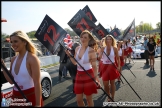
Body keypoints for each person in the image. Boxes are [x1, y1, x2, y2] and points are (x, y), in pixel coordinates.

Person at [1, 30, 43, 107]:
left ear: (24, 42)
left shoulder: (32, 58)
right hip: (15, 98)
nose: (13, 44)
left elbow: (37, 83)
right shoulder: (13, 59)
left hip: (30, 96)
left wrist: (38, 104)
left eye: (15, 41)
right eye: (11, 42)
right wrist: (2, 65)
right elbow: (11, 81)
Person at [65, 30, 101, 107]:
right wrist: (69, 55)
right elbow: (75, 63)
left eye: (85, 37)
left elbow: (94, 66)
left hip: (89, 75)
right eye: (81, 37)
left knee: (89, 100)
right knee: (78, 100)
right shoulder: (77, 48)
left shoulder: (91, 51)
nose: (83, 39)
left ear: (89, 39)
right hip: (79, 75)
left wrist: (96, 78)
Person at [98, 35, 120, 102]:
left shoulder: (114, 48)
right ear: (105, 40)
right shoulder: (102, 48)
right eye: (107, 39)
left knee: (112, 83)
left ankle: (112, 97)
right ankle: (108, 95)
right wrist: (101, 52)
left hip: (112, 67)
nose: (108, 40)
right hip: (104, 67)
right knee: (105, 84)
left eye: (110, 39)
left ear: (112, 40)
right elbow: (99, 58)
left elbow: (118, 58)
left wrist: (118, 66)